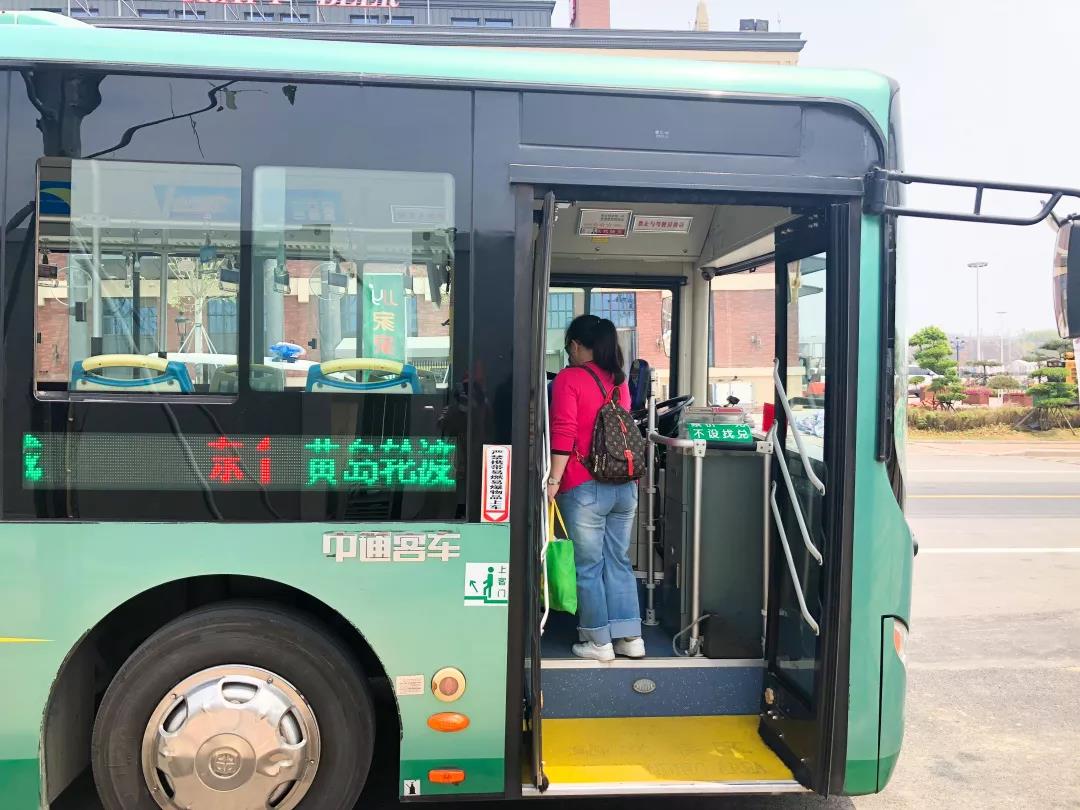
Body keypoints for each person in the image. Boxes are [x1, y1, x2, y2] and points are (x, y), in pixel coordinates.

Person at [548, 315, 645, 662]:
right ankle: (630, 638)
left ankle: (598, 641)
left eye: (568, 347)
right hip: (624, 484)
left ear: (576, 345)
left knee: (588, 566)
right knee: (618, 560)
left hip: (584, 485)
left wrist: (553, 480)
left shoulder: (569, 378)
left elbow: (564, 431)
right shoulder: (618, 381)